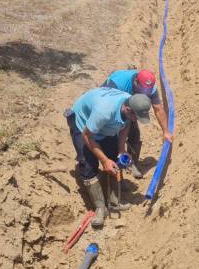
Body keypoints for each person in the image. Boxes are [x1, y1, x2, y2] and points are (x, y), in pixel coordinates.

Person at [65, 88, 152, 228]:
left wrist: (121, 149)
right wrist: (104, 161)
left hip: (103, 126)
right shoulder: (104, 111)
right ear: (128, 109)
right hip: (83, 126)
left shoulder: (129, 101)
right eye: (136, 116)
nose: (137, 120)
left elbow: (126, 124)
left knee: (114, 157)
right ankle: (100, 208)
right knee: (88, 165)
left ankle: (114, 201)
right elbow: (87, 136)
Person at [101, 69, 172, 178]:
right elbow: (104, 104)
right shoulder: (117, 83)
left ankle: (132, 162)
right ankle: (114, 170)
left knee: (134, 133)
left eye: (146, 93)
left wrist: (166, 132)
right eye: (141, 91)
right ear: (135, 81)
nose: (144, 94)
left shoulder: (150, 88)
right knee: (112, 136)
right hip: (111, 105)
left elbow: (158, 109)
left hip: (130, 107)